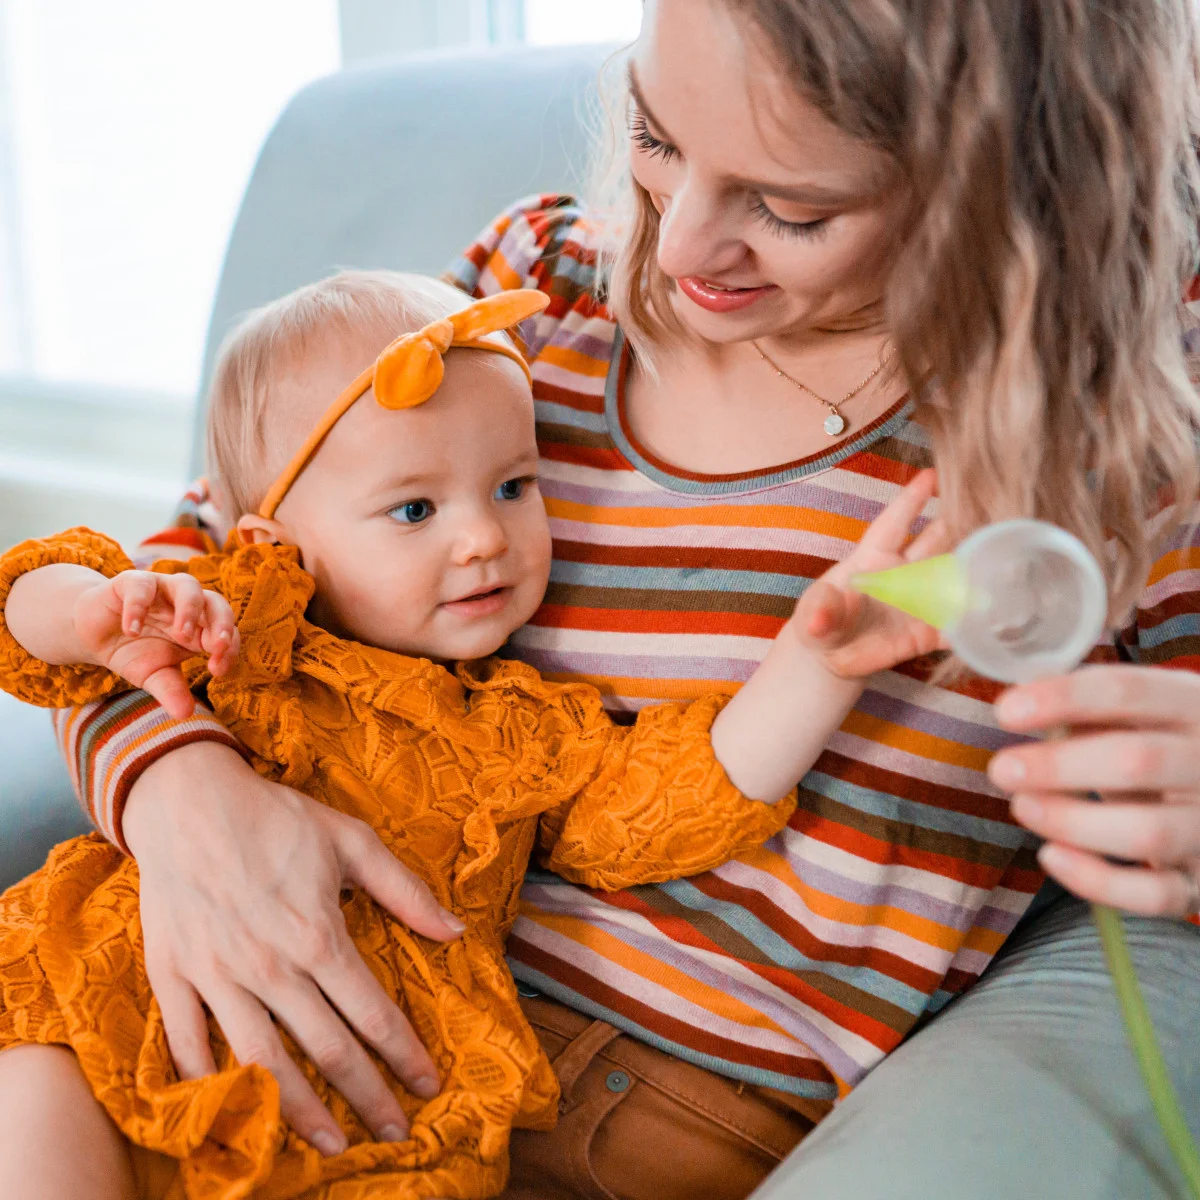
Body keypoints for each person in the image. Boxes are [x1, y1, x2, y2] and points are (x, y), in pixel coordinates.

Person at [17, 1, 1200, 1197]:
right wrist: (177, 789)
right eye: (655, 132)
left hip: (660, 1111)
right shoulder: (538, 291)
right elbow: (192, 570)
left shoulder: (1133, 421)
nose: (679, 245)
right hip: (341, 999)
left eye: (790, 208)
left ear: (1014, 176)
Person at [0, 269, 948, 1198]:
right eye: (415, 509)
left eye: (513, 486)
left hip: (374, 1094)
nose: (484, 539)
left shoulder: (520, 730)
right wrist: (95, 604)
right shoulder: (233, 619)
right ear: (271, 541)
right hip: (115, 1003)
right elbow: (33, 621)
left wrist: (818, 664)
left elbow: (675, 795)